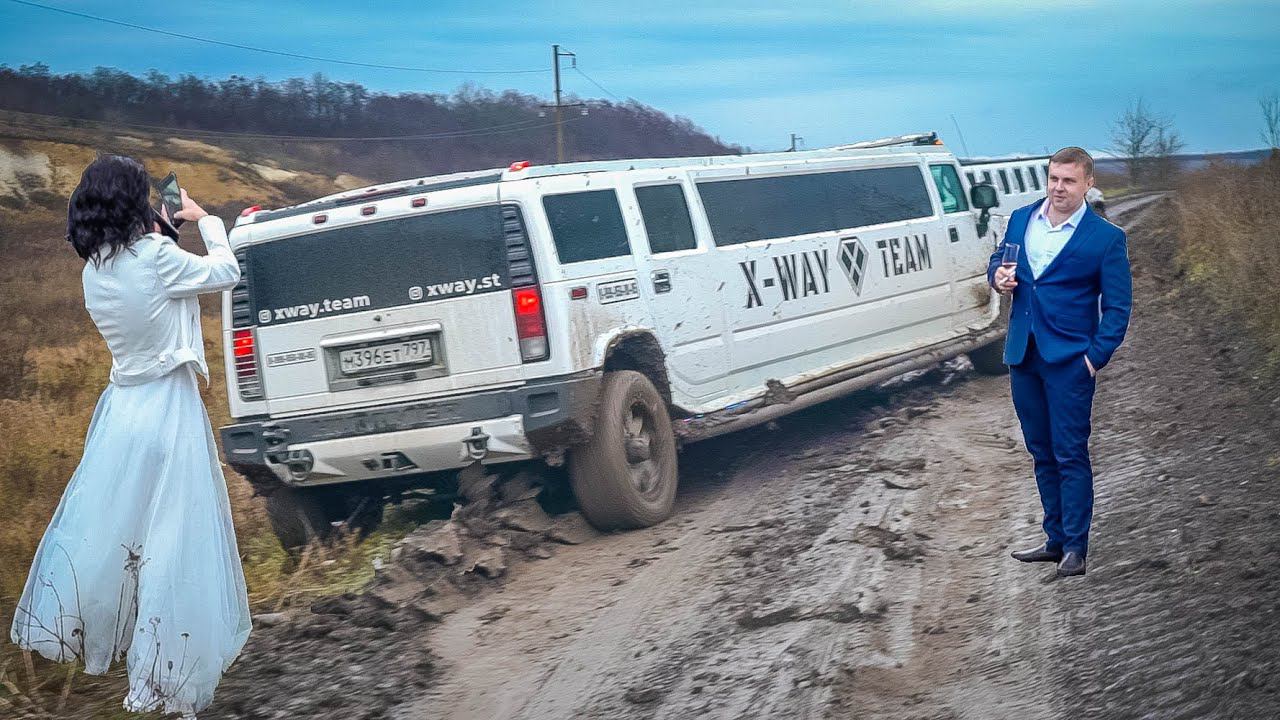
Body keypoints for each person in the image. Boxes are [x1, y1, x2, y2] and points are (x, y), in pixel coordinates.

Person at [9, 154, 250, 717]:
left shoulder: (94, 270)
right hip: (170, 410)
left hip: (123, 412)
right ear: (133, 203)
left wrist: (164, 231)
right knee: (175, 541)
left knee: (127, 545)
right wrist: (204, 218)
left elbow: (144, 277)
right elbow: (224, 272)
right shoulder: (159, 257)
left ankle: (138, 657)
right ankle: (167, 679)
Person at [988, 146, 1132, 578]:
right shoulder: (1020, 219)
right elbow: (1000, 260)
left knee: (1070, 452)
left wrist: (1094, 358)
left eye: (1069, 180)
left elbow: (1119, 308)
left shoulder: (1105, 238)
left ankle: (1075, 547)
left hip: (1071, 360)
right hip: (1023, 354)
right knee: (1040, 450)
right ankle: (1054, 539)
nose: (1058, 187)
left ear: (1089, 184)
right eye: (1053, 178)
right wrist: (997, 276)